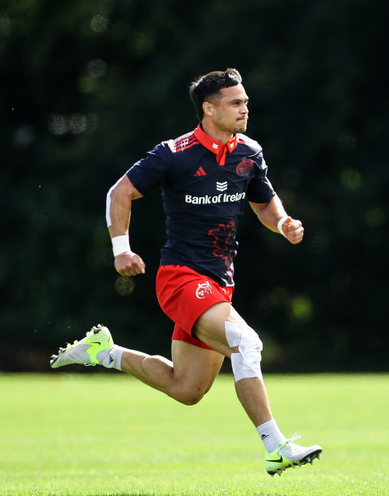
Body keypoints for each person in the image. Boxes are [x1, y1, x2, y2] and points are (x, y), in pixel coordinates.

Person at [50, 68, 322, 476]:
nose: (245, 108)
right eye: (236, 102)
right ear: (209, 109)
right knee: (246, 343)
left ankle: (104, 352)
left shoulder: (249, 152)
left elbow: (265, 202)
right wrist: (121, 250)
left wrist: (283, 223)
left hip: (220, 283)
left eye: (245, 101)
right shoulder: (174, 154)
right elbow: (119, 192)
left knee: (187, 388)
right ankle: (275, 447)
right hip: (181, 278)